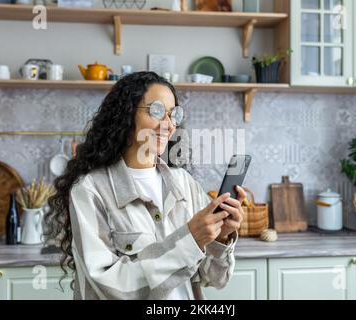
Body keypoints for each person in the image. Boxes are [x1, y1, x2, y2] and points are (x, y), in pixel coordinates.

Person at [45, 71, 245, 300]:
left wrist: (220, 238)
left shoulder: (184, 183)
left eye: (173, 115)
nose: (169, 125)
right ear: (126, 115)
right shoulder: (90, 191)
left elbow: (214, 279)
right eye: (157, 111)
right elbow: (109, 287)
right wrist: (190, 240)